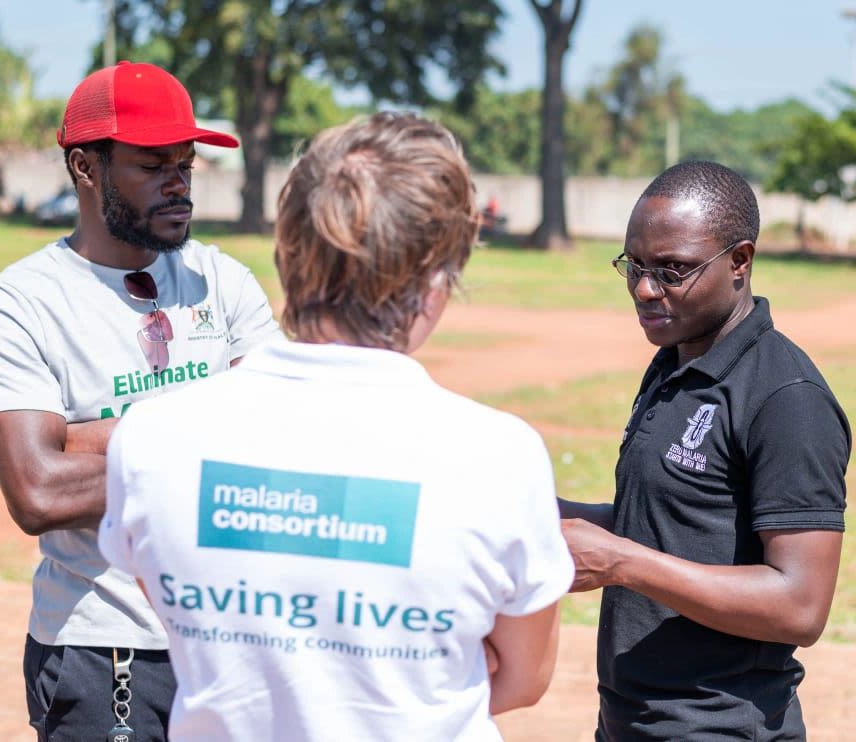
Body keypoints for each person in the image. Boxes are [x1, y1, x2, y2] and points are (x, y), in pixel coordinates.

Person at [98, 112, 575, 741]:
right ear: (437, 280)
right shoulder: (498, 457)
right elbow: (523, 677)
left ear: (286, 252)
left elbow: (184, 624)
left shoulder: (152, 438)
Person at [0, 61, 282, 741]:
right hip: (105, 648)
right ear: (85, 167)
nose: (178, 183)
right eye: (152, 165)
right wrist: (216, 440)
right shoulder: (19, 302)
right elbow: (39, 495)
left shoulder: (222, 280)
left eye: (185, 164)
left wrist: (81, 438)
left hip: (233, 642)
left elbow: (283, 443)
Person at [560, 161, 851, 741]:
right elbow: (679, 525)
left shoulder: (786, 397)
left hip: (719, 727)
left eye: (673, 270)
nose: (645, 289)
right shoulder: (677, 359)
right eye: (634, 266)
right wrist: (551, 516)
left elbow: (800, 606)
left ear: (739, 261)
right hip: (631, 721)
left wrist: (620, 563)